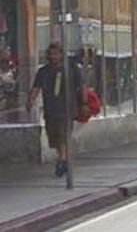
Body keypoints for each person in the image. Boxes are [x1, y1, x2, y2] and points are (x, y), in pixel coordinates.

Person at [26, 43, 89, 177]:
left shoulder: (71, 68)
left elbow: (82, 85)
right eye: (51, 54)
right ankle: (63, 157)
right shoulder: (44, 70)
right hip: (51, 109)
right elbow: (37, 87)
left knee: (63, 135)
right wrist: (31, 100)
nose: (53, 56)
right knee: (53, 136)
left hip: (67, 108)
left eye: (56, 54)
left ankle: (62, 160)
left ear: (61, 54)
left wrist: (84, 103)